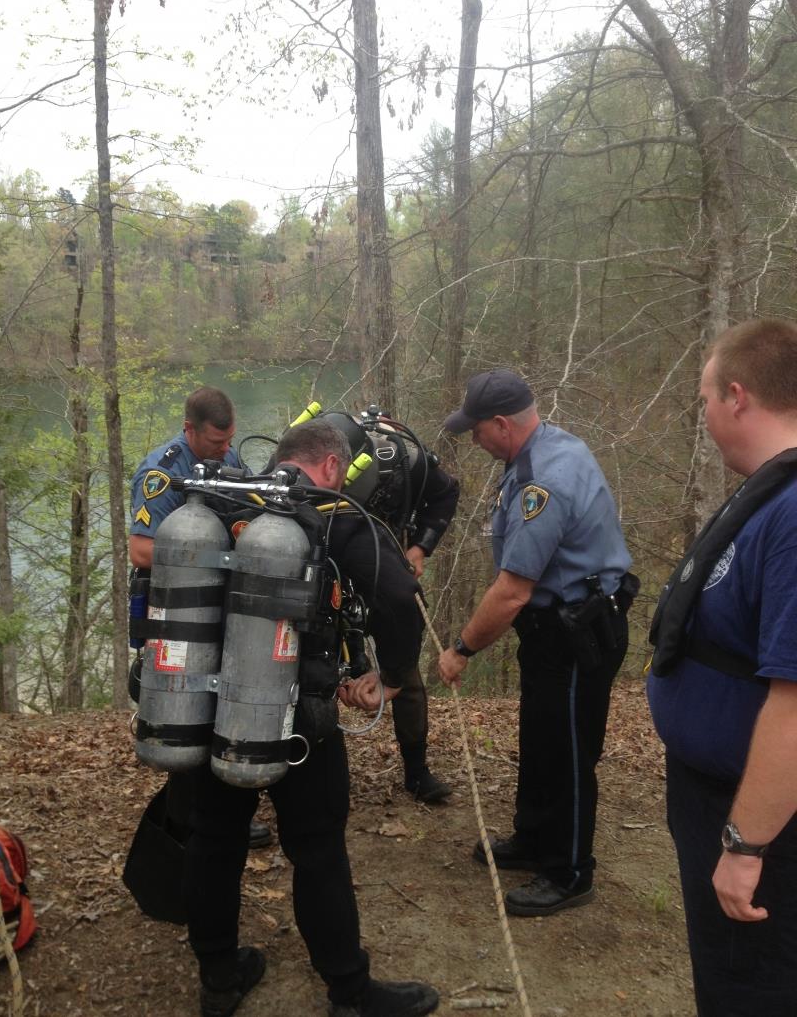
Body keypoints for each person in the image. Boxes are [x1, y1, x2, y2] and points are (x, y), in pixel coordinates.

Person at [179, 419, 439, 1017]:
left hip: (215, 704)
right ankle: (350, 991)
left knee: (215, 839)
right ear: (329, 465)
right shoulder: (331, 512)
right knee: (318, 849)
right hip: (299, 714)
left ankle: (219, 975)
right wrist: (394, 677)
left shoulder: (225, 498)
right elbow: (400, 597)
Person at [437, 368, 635, 916]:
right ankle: (533, 837)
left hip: (577, 635)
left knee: (568, 753)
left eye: (476, 430)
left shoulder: (543, 481)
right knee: (542, 737)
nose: (473, 440)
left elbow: (511, 593)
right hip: (554, 632)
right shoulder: (545, 449)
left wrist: (461, 650)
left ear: (502, 424)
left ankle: (570, 872)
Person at [647, 319, 797, 1017]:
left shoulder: (794, 514)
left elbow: (794, 702)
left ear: (737, 396)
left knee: (752, 986)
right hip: (715, 791)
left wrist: (745, 843)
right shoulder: (767, 493)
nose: (703, 415)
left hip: (763, 822)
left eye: (705, 398)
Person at [129, 386, 272, 849]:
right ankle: (183, 823)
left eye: (229, 440)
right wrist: (219, 557)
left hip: (221, 609)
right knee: (180, 717)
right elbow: (142, 548)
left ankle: (217, 815)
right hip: (175, 613)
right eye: (215, 442)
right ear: (190, 429)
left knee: (216, 710)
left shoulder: (230, 462)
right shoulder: (162, 472)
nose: (225, 449)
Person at [323, 409, 459, 803]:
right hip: (329, 566)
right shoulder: (309, 457)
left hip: (387, 564)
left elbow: (447, 493)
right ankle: (316, 768)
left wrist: (420, 547)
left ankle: (417, 771)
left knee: (406, 664)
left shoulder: (405, 461)